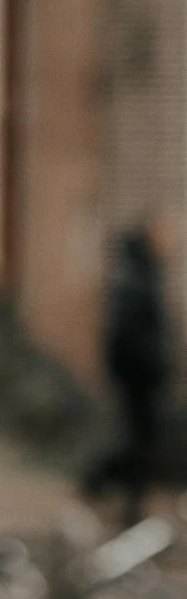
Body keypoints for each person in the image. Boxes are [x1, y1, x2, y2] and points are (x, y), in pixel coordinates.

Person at [90, 221, 172, 516]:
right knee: (138, 439)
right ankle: (109, 488)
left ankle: (115, 490)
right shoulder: (134, 278)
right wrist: (149, 366)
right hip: (139, 377)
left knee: (139, 438)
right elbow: (129, 333)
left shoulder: (144, 273)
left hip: (143, 375)